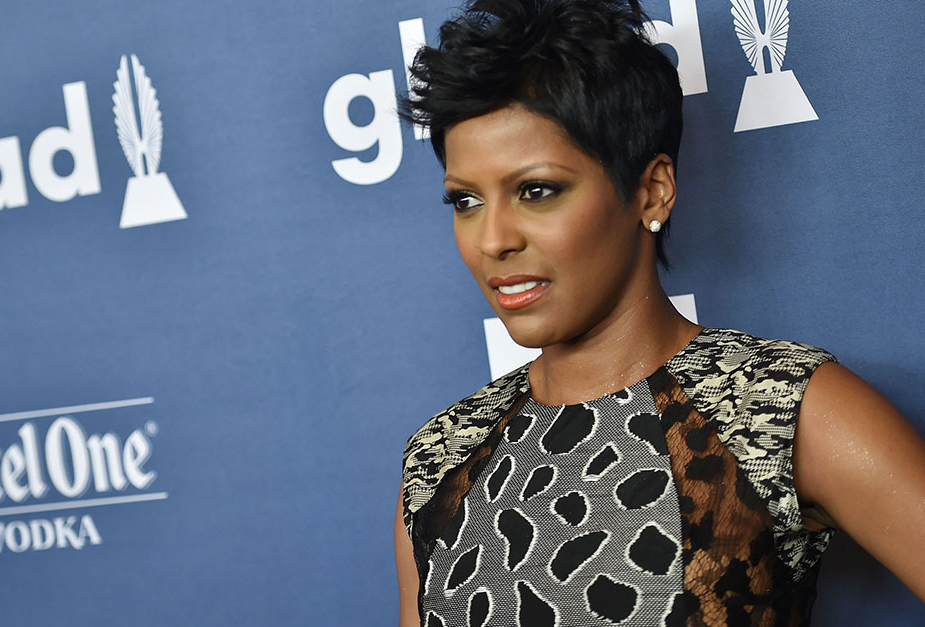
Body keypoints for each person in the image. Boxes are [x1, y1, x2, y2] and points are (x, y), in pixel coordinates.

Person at [391, 1, 925, 625]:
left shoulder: (778, 409)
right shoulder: (442, 456)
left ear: (652, 191)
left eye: (536, 191)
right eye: (466, 201)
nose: (493, 240)